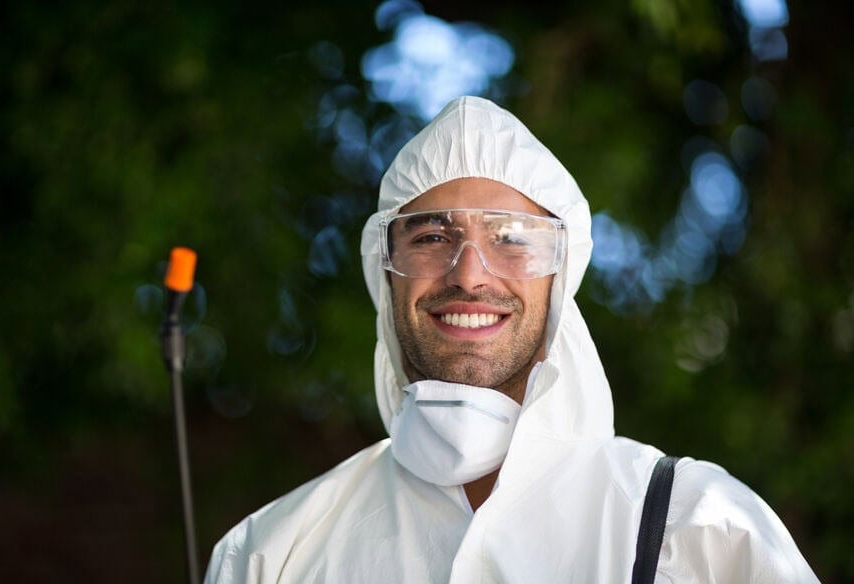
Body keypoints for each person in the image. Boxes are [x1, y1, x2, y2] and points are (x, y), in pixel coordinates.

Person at [205, 96, 818, 582]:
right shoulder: (270, 555)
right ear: (383, 270)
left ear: (560, 277)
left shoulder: (697, 529)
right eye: (430, 237)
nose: (469, 272)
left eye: (512, 238)